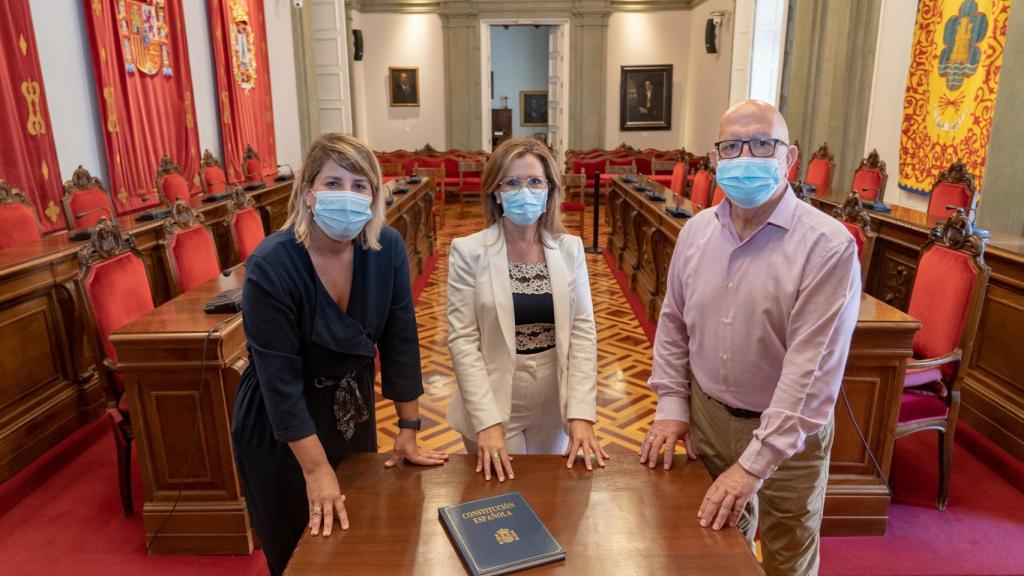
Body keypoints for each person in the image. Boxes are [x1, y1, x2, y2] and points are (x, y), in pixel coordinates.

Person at [639, 100, 861, 576]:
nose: (747, 156)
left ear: (789, 157)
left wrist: (755, 466)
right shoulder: (695, 233)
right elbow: (674, 325)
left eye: (763, 144)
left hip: (790, 437)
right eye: (732, 146)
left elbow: (809, 370)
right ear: (715, 159)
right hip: (711, 417)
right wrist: (673, 407)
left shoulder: (827, 245)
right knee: (717, 546)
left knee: (788, 553)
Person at [231, 133, 448, 576]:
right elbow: (280, 383)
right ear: (308, 192)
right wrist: (314, 469)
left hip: (351, 408)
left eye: (359, 185)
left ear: (373, 196)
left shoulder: (385, 248)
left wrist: (408, 428)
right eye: (333, 183)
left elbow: (400, 339)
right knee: (299, 547)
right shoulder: (271, 264)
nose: (346, 195)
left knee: (356, 540)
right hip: (282, 431)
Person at [446, 137, 606, 482]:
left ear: (549, 189)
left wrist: (581, 412)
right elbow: (462, 341)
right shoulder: (468, 251)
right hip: (491, 395)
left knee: (551, 494)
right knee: (501, 502)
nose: (525, 191)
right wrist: (486, 422)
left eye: (534, 181)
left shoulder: (570, 249)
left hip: (554, 396)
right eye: (512, 182)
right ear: (496, 192)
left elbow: (582, 332)